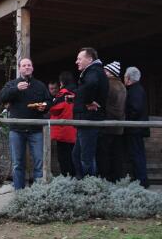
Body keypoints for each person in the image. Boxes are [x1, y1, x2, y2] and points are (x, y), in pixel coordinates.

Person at [0, 58, 51, 190]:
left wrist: (44, 106)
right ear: (19, 69)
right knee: (18, 163)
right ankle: (19, 193)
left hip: (36, 130)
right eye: (24, 65)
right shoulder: (12, 84)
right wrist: (16, 89)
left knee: (39, 163)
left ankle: (38, 192)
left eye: (29, 65)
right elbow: (1, 97)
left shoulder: (40, 85)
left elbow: (49, 101)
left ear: (32, 68)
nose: (27, 67)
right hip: (17, 130)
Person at [72, 47, 109, 179]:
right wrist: (76, 98)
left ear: (90, 59)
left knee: (86, 158)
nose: (77, 61)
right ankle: (83, 183)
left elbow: (91, 84)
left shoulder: (93, 71)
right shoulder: (94, 71)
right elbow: (88, 88)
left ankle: (91, 186)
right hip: (85, 120)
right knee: (77, 155)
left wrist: (87, 102)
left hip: (88, 120)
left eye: (79, 59)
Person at [96, 61, 126, 182]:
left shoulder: (108, 85)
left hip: (107, 124)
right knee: (116, 154)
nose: (103, 72)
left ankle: (106, 179)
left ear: (110, 72)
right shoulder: (122, 86)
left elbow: (103, 104)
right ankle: (117, 179)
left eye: (105, 71)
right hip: (119, 126)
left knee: (104, 154)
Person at [124, 66, 150, 188]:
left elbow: (136, 109)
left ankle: (141, 182)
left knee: (137, 155)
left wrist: (126, 120)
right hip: (137, 129)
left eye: (125, 76)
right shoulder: (137, 89)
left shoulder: (135, 91)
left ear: (129, 78)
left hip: (135, 129)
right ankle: (140, 180)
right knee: (137, 154)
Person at [48, 72, 76, 176]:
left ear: (61, 82)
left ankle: (66, 180)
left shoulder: (63, 93)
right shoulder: (76, 92)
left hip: (63, 131)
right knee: (73, 158)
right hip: (74, 131)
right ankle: (75, 179)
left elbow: (54, 108)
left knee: (64, 159)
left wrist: (47, 107)